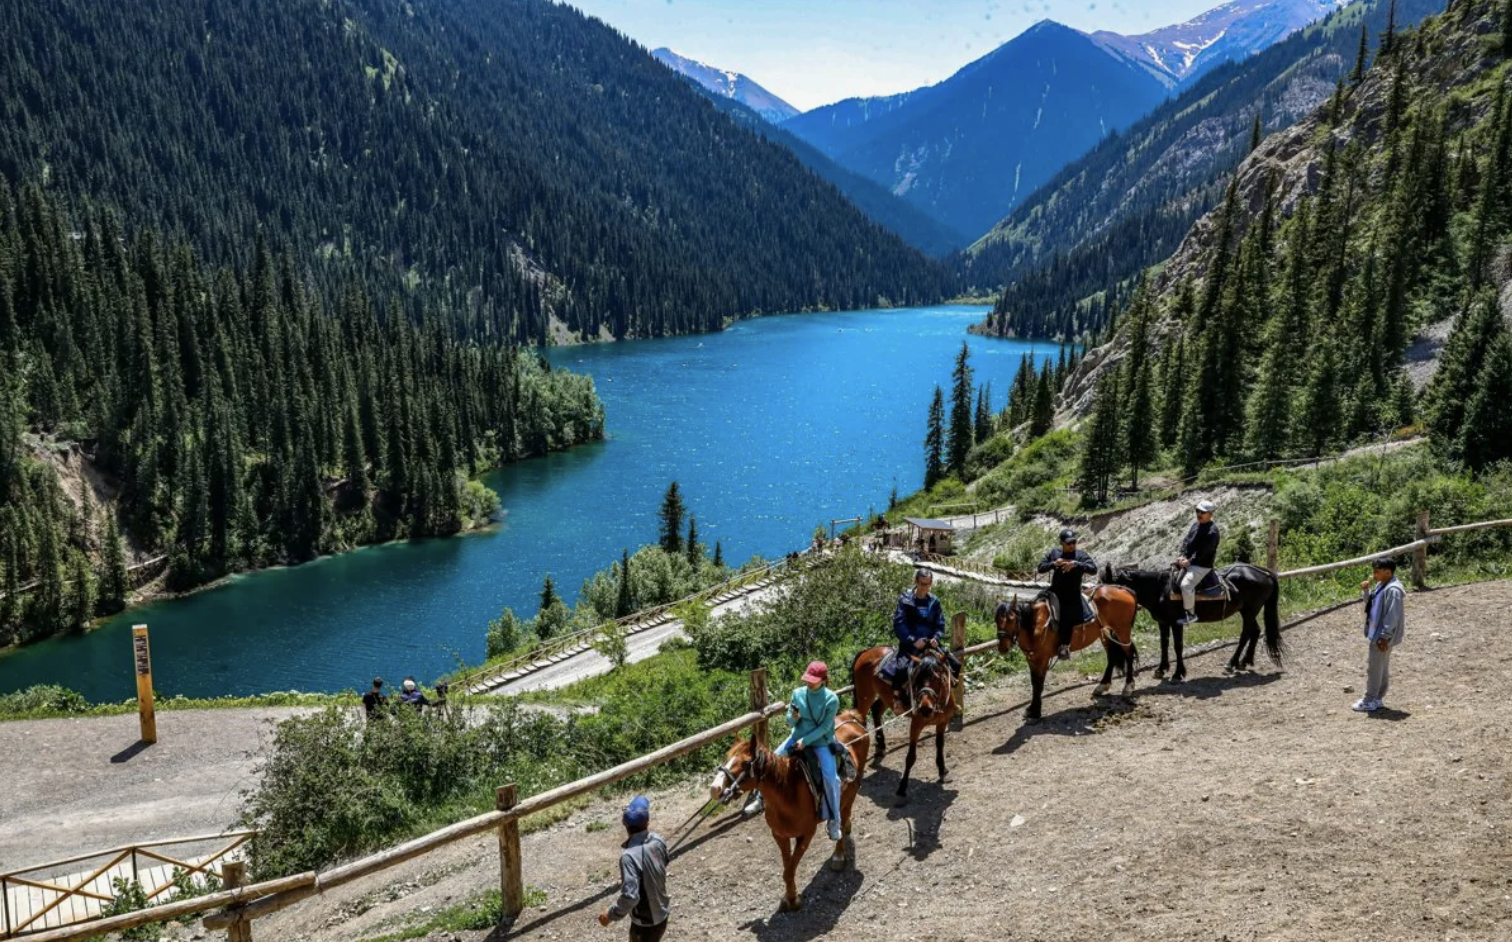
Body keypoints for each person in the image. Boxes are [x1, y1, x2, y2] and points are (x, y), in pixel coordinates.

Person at [598, 796, 670, 941]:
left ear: (624, 823)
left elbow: (631, 897)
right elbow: (662, 864)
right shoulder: (658, 840)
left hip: (645, 924)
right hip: (663, 914)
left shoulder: (628, 856)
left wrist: (610, 915)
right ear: (647, 822)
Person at [1354, 558, 1406, 713]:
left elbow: (1392, 615)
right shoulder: (1382, 585)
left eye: (1377, 571)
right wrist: (1365, 591)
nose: (1374, 574)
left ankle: (1369, 700)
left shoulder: (1393, 591)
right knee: (1381, 667)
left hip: (1382, 637)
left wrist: (1384, 636)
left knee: (1374, 668)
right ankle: (1378, 698)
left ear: (1388, 572)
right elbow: (1372, 604)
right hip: (1379, 634)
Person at [1037, 529, 1097, 661]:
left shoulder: (1081, 555)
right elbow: (1040, 567)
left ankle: (1064, 645)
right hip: (1054, 592)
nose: (1072, 545)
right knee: (1035, 605)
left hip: (1072, 594)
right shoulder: (1054, 553)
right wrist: (1053, 564)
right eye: (1069, 543)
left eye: (1074, 542)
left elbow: (1093, 569)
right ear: (1061, 543)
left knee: (1067, 614)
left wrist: (1076, 564)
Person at [891, 568, 949, 701]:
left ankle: (946, 696)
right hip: (910, 644)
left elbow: (940, 624)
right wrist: (913, 640)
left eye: (928, 584)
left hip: (931, 644)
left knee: (953, 663)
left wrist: (936, 637)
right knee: (902, 668)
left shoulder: (935, 601)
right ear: (916, 581)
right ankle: (899, 700)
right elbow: (899, 623)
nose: (925, 588)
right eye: (922, 584)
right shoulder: (905, 599)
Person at [1176, 500, 1222, 626]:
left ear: (1210, 514)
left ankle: (1191, 614)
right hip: (1188, 561)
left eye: (1202, 512)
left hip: (1201, 565)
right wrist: (1182, 555)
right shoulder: (1196, 525)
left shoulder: (1212, 532)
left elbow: (1204, 553)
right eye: (1197, 511)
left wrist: (1188, 561)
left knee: (1186, 585)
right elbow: (1186, 541)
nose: (1199, 514)